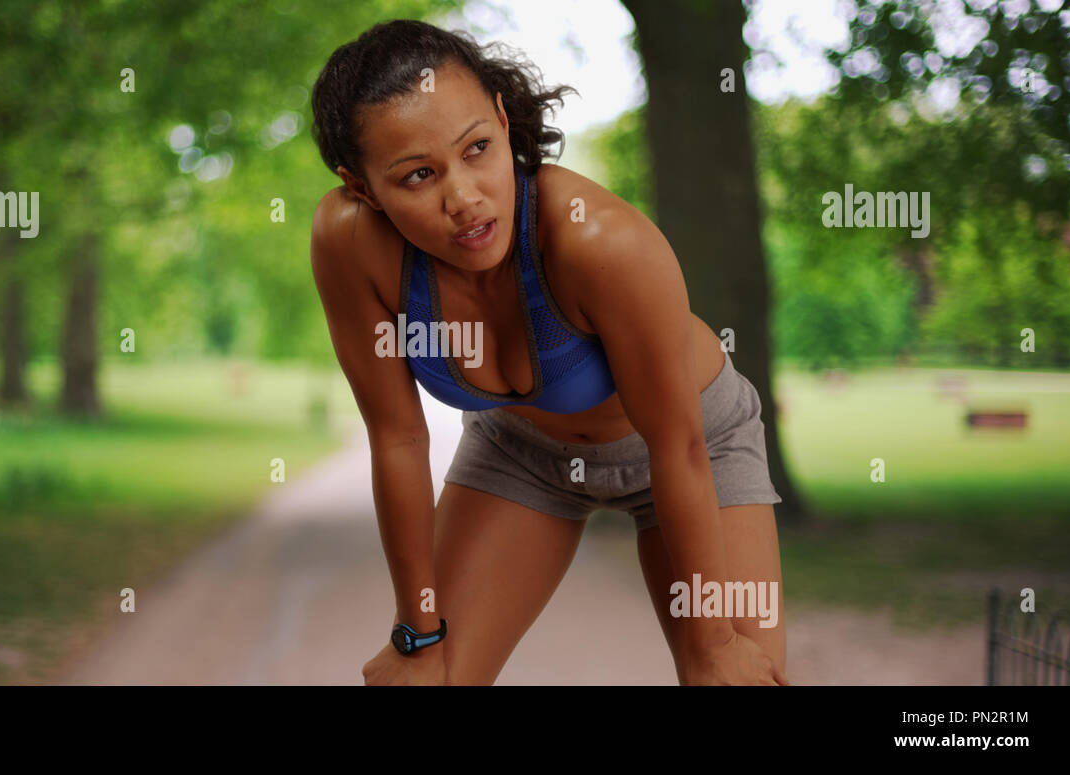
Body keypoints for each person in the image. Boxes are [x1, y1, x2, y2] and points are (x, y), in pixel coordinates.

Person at [308, 18, 788, 686]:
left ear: (503, 122)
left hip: (695, 444)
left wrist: (711, 642)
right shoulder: (347, 242)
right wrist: (416, 635)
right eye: (418, 175)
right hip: (523, 453)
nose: (464, 198)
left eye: (476, 147)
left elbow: (678, 447)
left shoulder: (601, 242)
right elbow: (396, 439)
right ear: (360, 187)